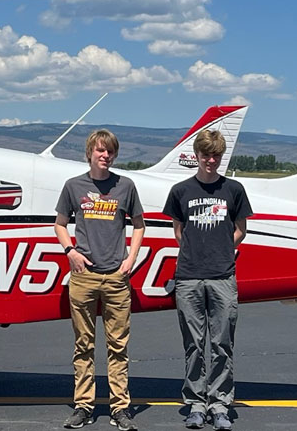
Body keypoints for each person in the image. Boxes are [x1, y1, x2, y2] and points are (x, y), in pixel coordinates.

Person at [55, 129, 146, 431]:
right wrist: (70, 251)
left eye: (110, 152)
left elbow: (139, 225)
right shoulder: (73, 186)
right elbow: (59, 223)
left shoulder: (126, 186)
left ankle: (120, 408)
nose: (105, 156)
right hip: (83, 277)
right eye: (100, 151)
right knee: (84, 345)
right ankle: (83, 406)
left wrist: (130, 259)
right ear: (90, 153)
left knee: (118, 346)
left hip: (116, 279)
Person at [162, 129, 251, 430]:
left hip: (223, 276)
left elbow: (240, 229)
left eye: (216, 155)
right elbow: (179, 231)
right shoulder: (180, 191)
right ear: (197, 156)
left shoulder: (234, 190)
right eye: (206, 155)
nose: (211, 160)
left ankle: (221, 403)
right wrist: (196, 251)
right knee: (194, 345)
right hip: (188, 277)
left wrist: (223, 249)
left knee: (222, 342)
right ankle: (196, 404)